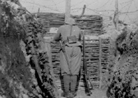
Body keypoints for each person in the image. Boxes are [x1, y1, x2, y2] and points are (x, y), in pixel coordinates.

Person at [53, 17, 82, 98]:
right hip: (77, 49)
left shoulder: (62, 28)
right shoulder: (78, 28)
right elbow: (79, 38)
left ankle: (66, 92)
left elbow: (55, 38)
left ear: (65, 22)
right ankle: (72, 92)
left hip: (66, 48)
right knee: (75, 70)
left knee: (65, 70)